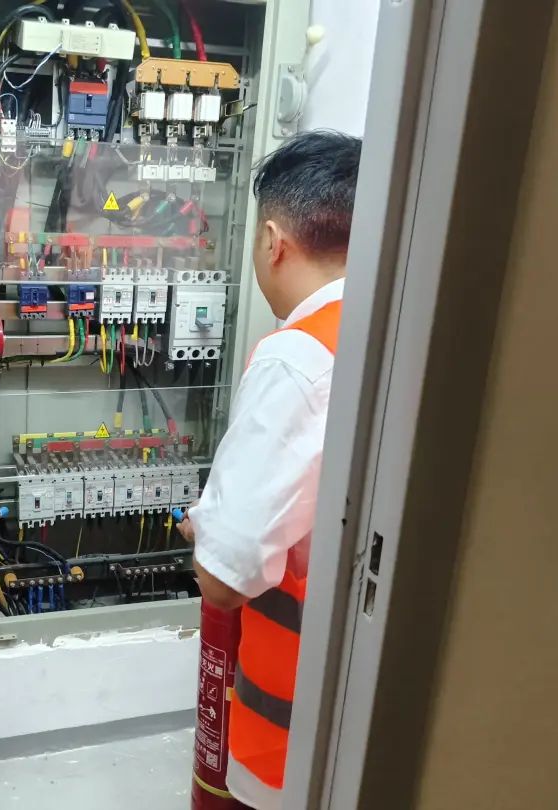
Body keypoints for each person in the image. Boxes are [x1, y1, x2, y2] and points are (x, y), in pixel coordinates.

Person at [177, 130, 362, 809]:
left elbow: (225, 579)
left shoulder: (298, 358)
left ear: (274, 241)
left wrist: (208, 533)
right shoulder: (392, 329)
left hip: (293, 735)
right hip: (365, 721)